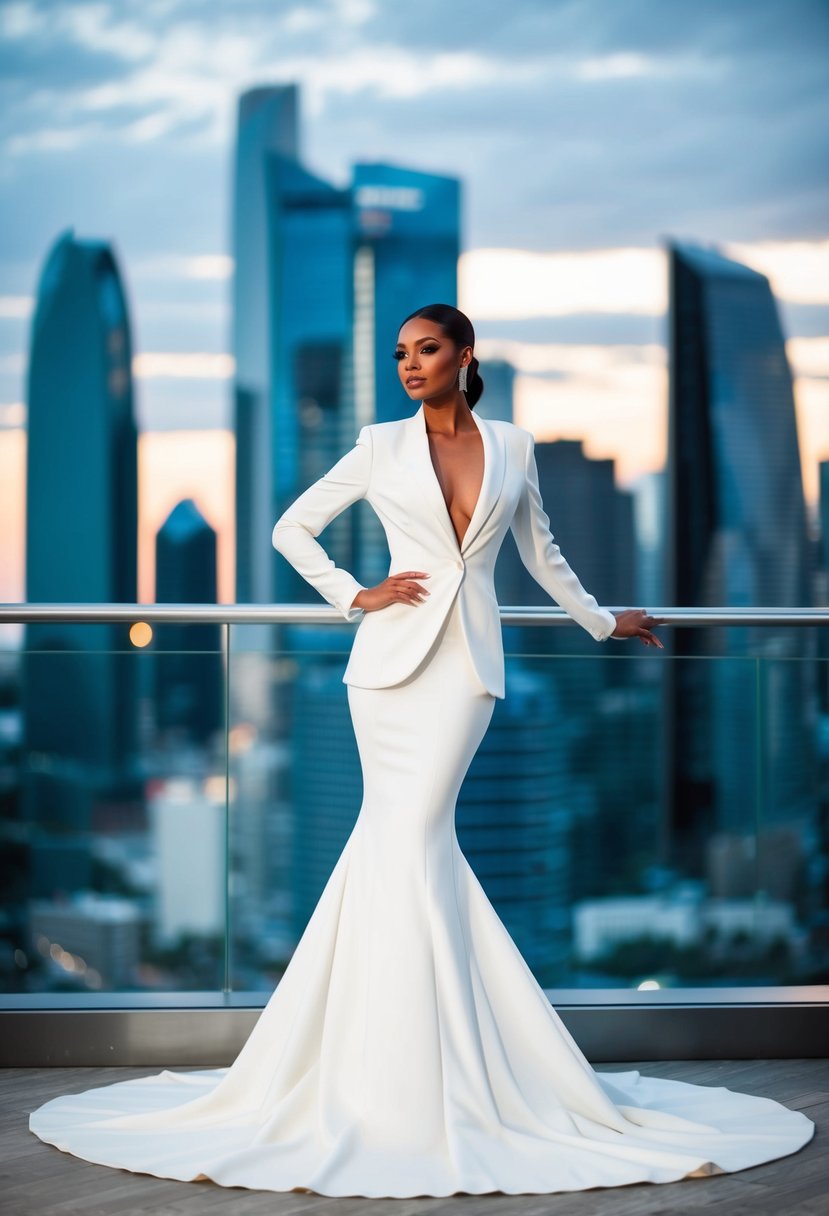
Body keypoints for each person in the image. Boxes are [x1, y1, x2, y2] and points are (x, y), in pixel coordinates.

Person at [28, 304, 814, 1198]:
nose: (408, 364)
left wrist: (603, 622)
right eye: (399, 353)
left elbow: (542, 553)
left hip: (463, 678)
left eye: (425, 349)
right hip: (384, 672)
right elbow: (292, 528)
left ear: (463, 356)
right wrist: (350, 595)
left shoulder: (513, 446)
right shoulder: (377, 444)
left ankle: (403, 1062)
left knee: (406, 843)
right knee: (401, 847)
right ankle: (401, 1070)